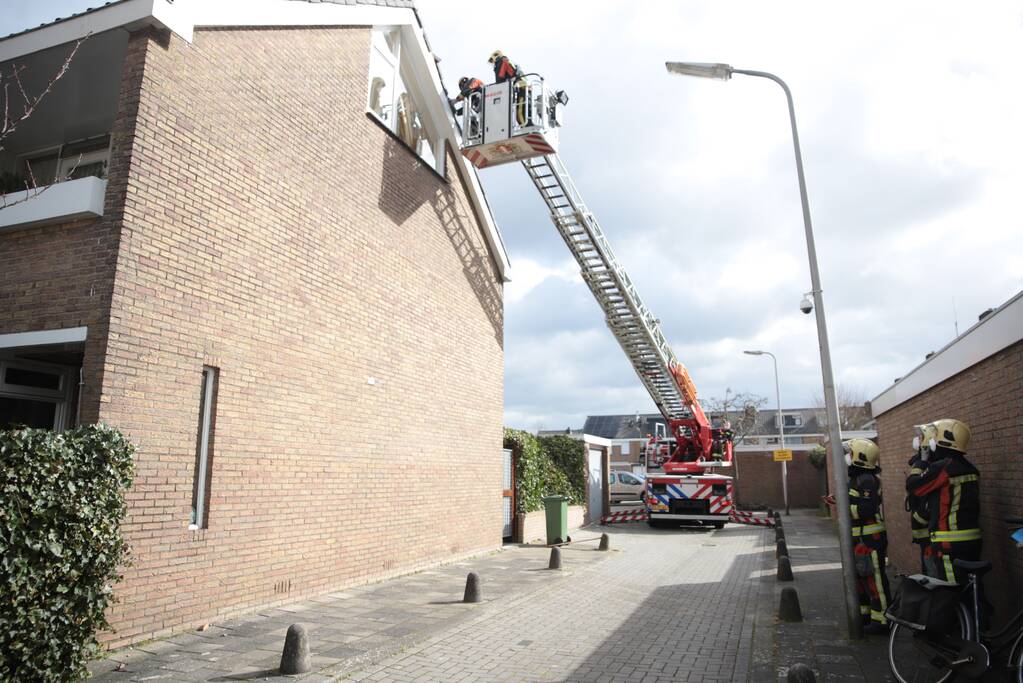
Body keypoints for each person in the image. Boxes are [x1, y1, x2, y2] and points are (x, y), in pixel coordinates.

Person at [906, 418, 981, 584]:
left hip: (949, 543)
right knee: (971, 587)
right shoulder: (969, 468)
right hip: (972, 540)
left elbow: (913, 486)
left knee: (951, 592)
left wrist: (921, 462)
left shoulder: (944, 467)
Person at [844, 438, 892, 634]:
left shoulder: (866, 480)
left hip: (870, 539)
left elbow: (867, 509)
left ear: (860, 457)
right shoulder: (858, 479)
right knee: (861, 580)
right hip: (860, 538)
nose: (848, 457)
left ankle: (882, 621)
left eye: (851, 453)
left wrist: (845, 507)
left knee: (876, 581)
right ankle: (866, 616)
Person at [905, 423, 937, 575]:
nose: (917, 440)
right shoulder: (922, 462)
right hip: (924, 533)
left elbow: (914, 488)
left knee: (932, 572)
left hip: (931, 533)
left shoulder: (931, 465)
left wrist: (919, 518)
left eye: (920, 437)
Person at [488, 50, 528, 125]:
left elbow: (500, 78)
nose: (493, 63)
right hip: (520, 86)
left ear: (496, 57)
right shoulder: (506, 61)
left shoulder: (502, 61)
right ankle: (524, 128)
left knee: (520, 112)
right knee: (519, 113)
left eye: (492, 60)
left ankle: (526, 129)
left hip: (521, 85)